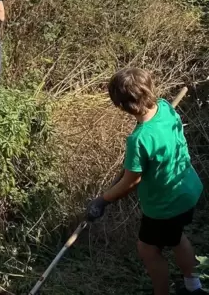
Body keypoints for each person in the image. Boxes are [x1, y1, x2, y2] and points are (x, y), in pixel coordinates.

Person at [87, 68, 205, 295]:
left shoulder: (139, 139)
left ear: (122, 106)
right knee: (177, 236)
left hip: (166, 205)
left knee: (148, 248)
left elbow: (131, 182)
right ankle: (194, 287)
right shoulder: (165, 108)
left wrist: (102, 200)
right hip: (187, 189)